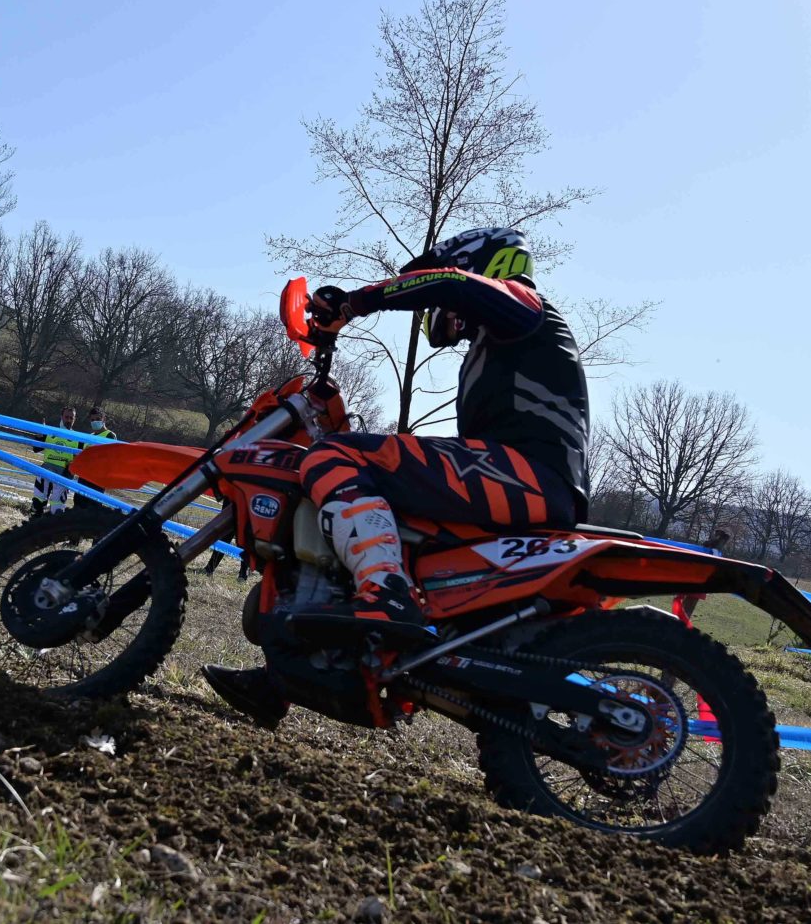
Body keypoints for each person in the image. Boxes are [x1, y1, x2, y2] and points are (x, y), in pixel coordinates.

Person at [202, 227, 591, 728]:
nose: (440, 316)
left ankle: (388, 593)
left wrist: (355, 303)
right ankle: (288, 677)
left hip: (527, 476)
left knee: (333, 457)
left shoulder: (524, 304)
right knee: (376, 519)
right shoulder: (498, 343)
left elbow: (452, 285)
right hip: (516, 478)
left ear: (483, 265)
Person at [31, 406, 83, 517]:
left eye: (71, 418)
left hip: (64, 474)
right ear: (61, 417)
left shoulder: (79, 438)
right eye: (66, 417)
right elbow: (36, 449)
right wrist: (39, 436)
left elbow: (81, 459)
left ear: (75, 419)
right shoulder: (50, 432)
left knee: (57, 508)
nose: (69, 420)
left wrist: (72, 468)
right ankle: (35, 522)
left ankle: (51, 525)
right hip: (46, 471)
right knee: (38, 502)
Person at [73, 407, 119, 507]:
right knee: (78, 504)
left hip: (97, 479)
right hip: (84, 478)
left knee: (93, 507)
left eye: (98, 419)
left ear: (103, 419)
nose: (95, 422)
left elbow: (112, 458)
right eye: (92, 420)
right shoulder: (90, 436)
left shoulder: (110, 435)